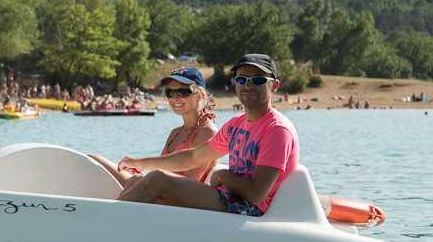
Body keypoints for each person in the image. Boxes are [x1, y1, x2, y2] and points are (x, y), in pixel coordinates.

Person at [116, 54, 299, 216]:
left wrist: (223, 177)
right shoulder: (236, 123)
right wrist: (140, 163)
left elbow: (256, 194)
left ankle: (106, 224)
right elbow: (193, 156)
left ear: (274, 86)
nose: (248, 85)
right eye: (242, 80)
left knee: (157, 180)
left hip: (248, 207)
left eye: (257, 80)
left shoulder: (277, 129)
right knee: (138, 180)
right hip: (228, 197)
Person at [90, 67, 219, 190]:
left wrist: (142, 166)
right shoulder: (176, 133)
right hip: (159, 189)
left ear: (200, 96)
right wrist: (140, 171)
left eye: (182, 92)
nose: (175, 98)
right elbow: (162, 172)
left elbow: (189, 184)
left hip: (177, 201)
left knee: (134, 181)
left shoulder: (207, 132)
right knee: (93, 159)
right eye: (170, 92)